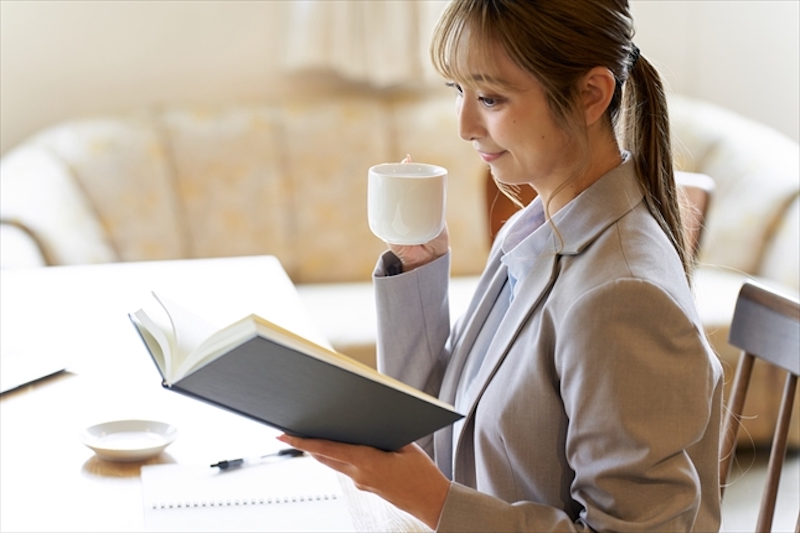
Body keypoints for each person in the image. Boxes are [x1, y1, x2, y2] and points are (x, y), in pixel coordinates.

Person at [278, 0, 724, 530]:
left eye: (490, 98)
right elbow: (444, 436)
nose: (465, 125)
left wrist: (435, 502)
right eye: (458, 92)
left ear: (590, 95)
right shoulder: (532, 228)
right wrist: (420, 270)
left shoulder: (622, 295)